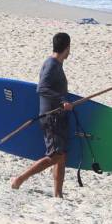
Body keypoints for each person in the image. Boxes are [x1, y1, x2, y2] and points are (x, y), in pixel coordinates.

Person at [10, 33, 73, 198]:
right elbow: (42, 88)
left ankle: (58, 194)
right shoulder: (51, 64)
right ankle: (19, 179)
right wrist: (62, 101)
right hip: (51, 116)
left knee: (62, 155)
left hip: (58, 116)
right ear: (67, 48)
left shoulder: (56, 64)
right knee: (54, 156)